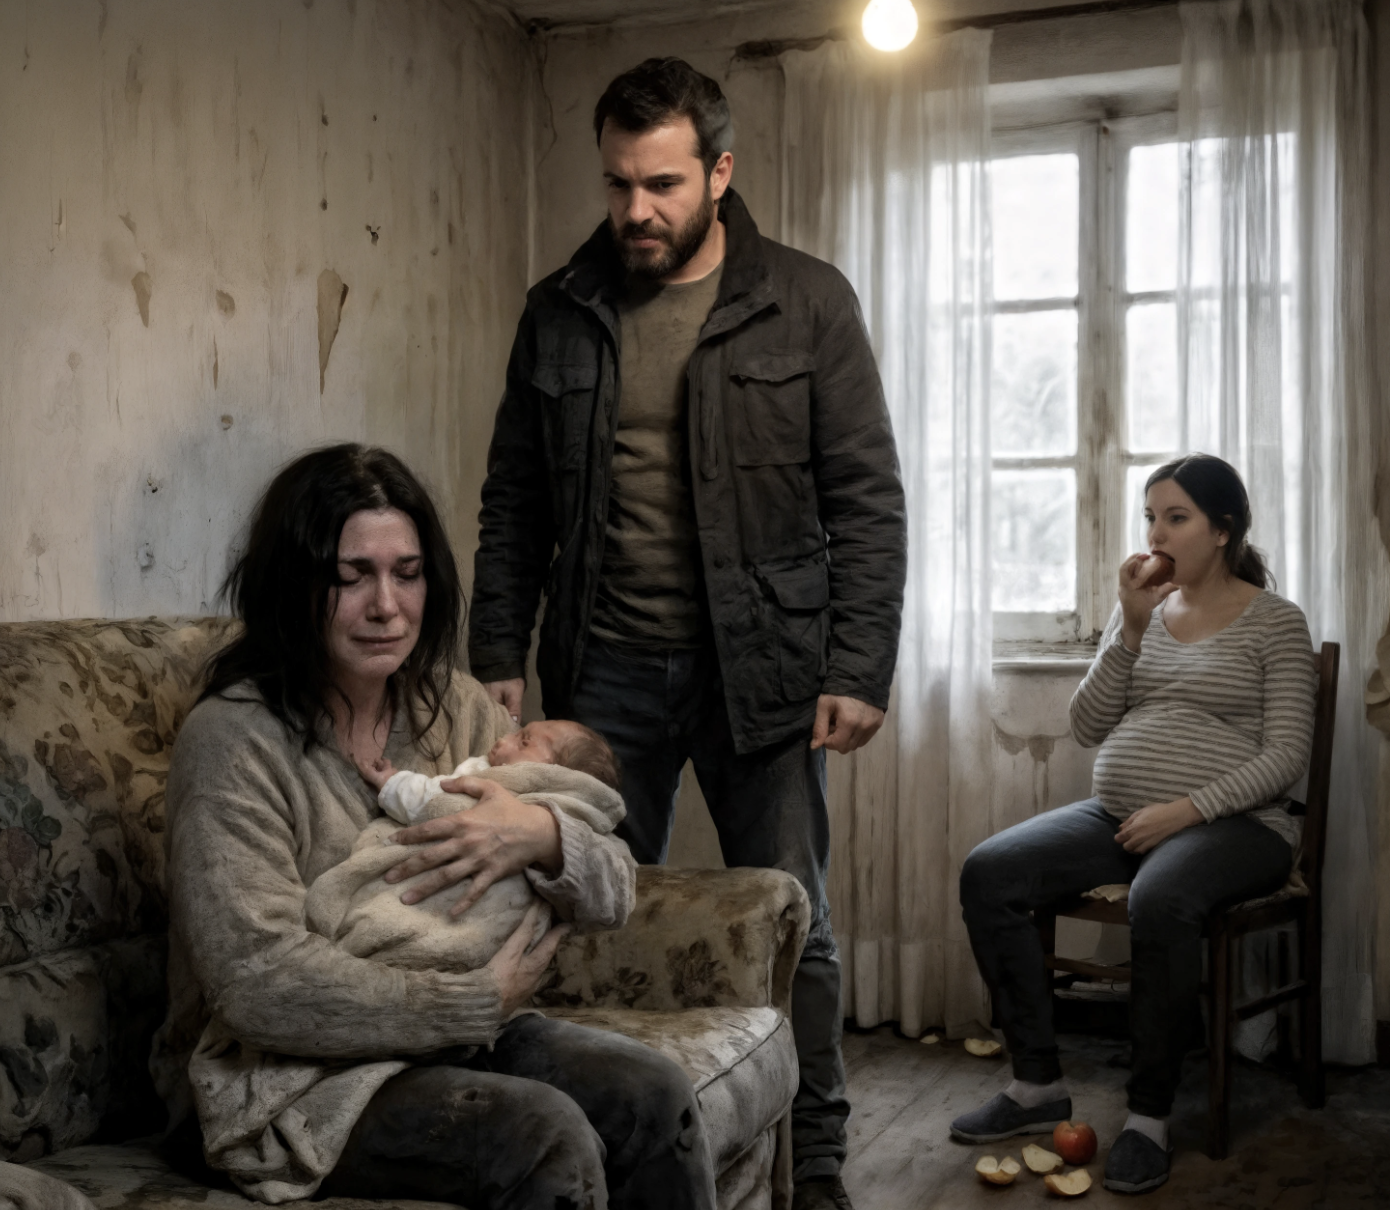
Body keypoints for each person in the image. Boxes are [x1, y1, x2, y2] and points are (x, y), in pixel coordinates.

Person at [467, 57, 907, 1210]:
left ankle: (818, 1162)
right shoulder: (558, 310)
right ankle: (622, 1133)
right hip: (604, 671)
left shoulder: (806, 301)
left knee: (792, 918)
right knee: (586, 905)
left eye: (660, 183)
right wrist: (495, 652)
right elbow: (514, 496)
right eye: (617, 183)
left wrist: (859, 665)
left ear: (719, 172)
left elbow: (866, 498)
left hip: (763, 669)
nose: (636, 210)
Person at [150, 444, 716, 1210]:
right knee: (544, 1134)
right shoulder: (233, 741)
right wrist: (472, 1003)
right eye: (351, 577)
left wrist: (543, 836)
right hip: (287, 1077)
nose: (387, 605)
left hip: (451, 1040)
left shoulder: (453, 707)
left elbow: (615, 886)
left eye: (407, 573)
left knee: (653, 1094)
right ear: (293, 584)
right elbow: (256, 982)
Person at [952, 454, 1316, 1195]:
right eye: (1151, 517)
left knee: (1161, 897)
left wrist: (1185, 811)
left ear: (1223, 529)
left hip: (1241, 827)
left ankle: (1148, 1117)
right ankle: (1036, 1085)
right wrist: (1129, 630)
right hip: (1120, 817)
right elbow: (1087, 726)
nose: (1156, 534)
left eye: (1176, 518)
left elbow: (1286, 756)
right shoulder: (1143, 614)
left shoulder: (1276, 621)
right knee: (989, 872)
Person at [304, 722, 624, 974]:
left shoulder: (515, 787)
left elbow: (435, 800)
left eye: (523, 741)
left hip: (494, 939)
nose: (504, 738)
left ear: (552, 771)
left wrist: (391, 782)